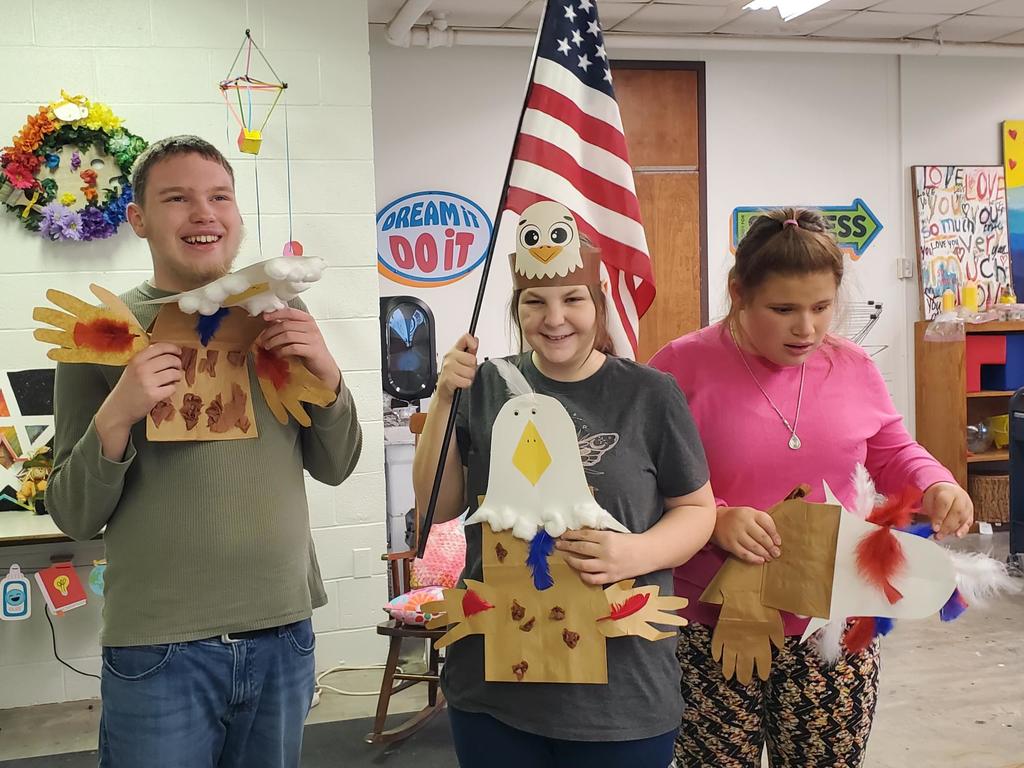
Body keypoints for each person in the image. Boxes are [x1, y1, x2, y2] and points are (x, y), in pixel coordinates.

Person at [45, 135, 362, 768]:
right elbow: (73, 514)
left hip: (282, 631)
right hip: (160, 646)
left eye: (220, 196)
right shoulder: (102, 334)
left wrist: (327, 375)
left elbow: (336, 466)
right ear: (138, 219)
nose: (204, 213)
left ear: (238, 216)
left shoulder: (276, 315)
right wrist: (118, 411)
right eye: (177, 198)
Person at [649, 207, 974, 768]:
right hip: (709, 620)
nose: (807, 329)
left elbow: (893, 449)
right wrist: (716, 518)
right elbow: (642, 477)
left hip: (831, 619)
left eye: (822, 308)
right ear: (738, 293)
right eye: (784, 310)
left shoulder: (851, 367)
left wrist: (936, 483)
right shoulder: (680, 368)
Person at [412, 208, 717, 768]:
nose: (555, 318)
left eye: (573, 299)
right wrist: (442, 401)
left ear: (598, 305)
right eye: (535, 302)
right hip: (494, 683)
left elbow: (697, 510)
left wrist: (634, 552)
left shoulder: (650, 394)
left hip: (620, 694)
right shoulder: (482, 386)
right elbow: (438, 507)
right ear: (517, 309)